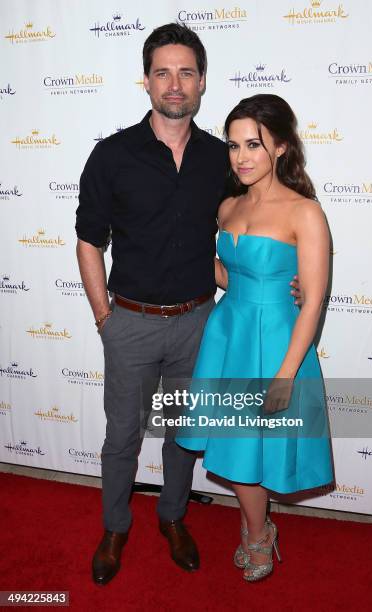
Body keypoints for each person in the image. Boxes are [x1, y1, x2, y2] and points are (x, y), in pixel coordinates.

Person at [75, 23, 302, 585]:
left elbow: (256, 226)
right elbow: (88, 241)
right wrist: (105, 318)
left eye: (186, 73)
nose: (174, 84)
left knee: (184, 434)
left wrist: (285, 283)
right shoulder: (112, 155)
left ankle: (174, 517)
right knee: (122, 435)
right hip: (129, 321)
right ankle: (114, 527)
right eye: (162, 72)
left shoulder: (221, 159)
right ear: (146, 81)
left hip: (201, 325)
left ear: (201, 82)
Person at [176, 94, 334, 582]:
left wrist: (286, 374)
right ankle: (258, 530)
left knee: (260, 442)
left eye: (254, 145)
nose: (241, 156)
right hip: (229, 335)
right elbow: (227, 275)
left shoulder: (305, 213)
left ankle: (259, 531)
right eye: (233, 145)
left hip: (277, 343)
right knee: (236, 443)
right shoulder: (227, 206)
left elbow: (313, 300)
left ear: (281, 147)